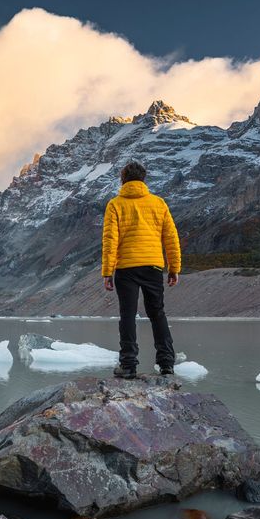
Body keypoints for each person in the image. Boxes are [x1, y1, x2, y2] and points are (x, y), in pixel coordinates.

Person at [101, 161, 181, 378]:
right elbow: (171, 238)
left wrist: (107, 272)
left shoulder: (115, 204)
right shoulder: (158, 203)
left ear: (122, 179)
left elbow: (111, 240)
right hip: (153, 266)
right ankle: (166, 364)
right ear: (144, 179)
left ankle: (128, 365)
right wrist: (174, 268)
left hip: (126, 268)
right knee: (157, 313)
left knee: (127, 315)